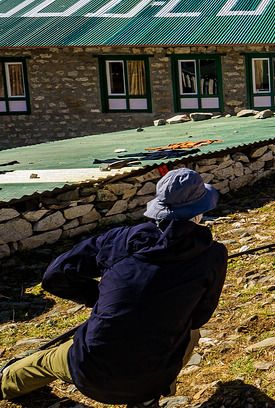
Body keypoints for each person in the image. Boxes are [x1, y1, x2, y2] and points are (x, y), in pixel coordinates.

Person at [0, 169, 227, 407]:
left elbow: (55, 276)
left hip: (90, 370)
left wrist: (100, 298)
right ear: (200, 211)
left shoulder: (119, 240)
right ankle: (149, 397)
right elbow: (199, 317)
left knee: (43, 362)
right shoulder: (213, 255)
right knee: (191, 334)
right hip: (153, 377)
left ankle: (5, 382)